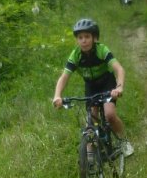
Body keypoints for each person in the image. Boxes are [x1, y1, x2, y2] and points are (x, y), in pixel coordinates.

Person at [52, 18, 134, 157]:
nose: (84, 40)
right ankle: (90, 155)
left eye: (87, 37)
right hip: (91, 86)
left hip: (107, 83)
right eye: (80, 37)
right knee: (91, 120)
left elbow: (119, 69)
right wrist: (57, 95)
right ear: (77, 40)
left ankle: (123, 141)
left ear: (94, 38)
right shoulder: (76, 55)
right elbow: (64, 77)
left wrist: (119, 87)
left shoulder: (101, 50)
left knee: (109, 115)